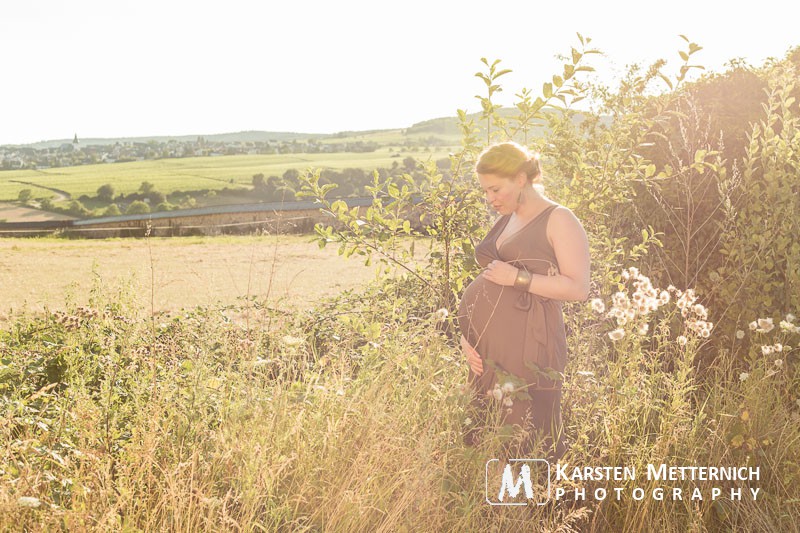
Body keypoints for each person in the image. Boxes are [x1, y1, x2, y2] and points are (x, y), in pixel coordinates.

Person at [457, 141, 590, 461]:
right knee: (486, 437)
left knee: (530, 439)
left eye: (495, 189)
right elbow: (489, 284)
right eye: (485, 192)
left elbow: (578, 288)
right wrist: (467, 337)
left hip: (530, 346)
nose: (490, 200)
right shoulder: (508, 217)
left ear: (520, 178)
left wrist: (517, 279)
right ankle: (495, 511)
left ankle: (539, 509)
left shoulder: (560, 219)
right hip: (487, 353)